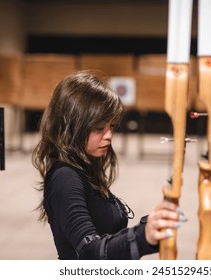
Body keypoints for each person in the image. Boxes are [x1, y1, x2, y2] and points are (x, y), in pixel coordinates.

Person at [32, 70, 186, 260]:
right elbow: (90, 253)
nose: (109, 135)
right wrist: (142, 238)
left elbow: (107, 238)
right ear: (72, 125)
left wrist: (150, 224)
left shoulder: (82, 168)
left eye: (111, 126)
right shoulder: (65, 179)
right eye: (99, 128)